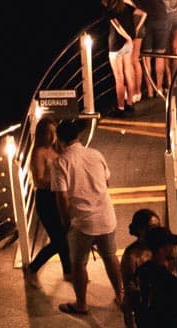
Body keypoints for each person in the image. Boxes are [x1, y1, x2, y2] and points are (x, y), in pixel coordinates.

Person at [51, 118, 123, 315]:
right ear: (78, 136)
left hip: (82, 222)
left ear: (60, 139)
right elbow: (107, 182)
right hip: (106, 216)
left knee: (78, 264)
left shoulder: (60, 162)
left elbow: (62, 198)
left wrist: (66, 222)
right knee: (110, 257)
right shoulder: (95, 154)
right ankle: (121, 296)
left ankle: (81, 304)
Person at [25, 116, 73, 279]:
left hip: (58, 196)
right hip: (46, 198)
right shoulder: (39, 152)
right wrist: (58, 180)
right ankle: (34, 268)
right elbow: (38, 180)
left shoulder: (57, 149)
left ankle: (67, 271)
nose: (52, 136)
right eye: (49, 133)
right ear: (42, 134)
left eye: (55, 132)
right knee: (59, 238)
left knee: (62, 236)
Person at [129, 229, 177, 328]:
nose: (175, 248)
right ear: (162, 249)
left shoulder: (142, 271)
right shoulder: (171, 282)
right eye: (172, 244)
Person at [103, 0, 148, 112]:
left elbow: (117, 26)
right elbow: (143, 14)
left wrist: (127, 36)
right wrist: (136, 29)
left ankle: (120, 107)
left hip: (116, 45)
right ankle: (130, 103)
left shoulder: (110, 10)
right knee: (128, 71)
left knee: (119, 78)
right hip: (128, 45)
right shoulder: (127, 7)